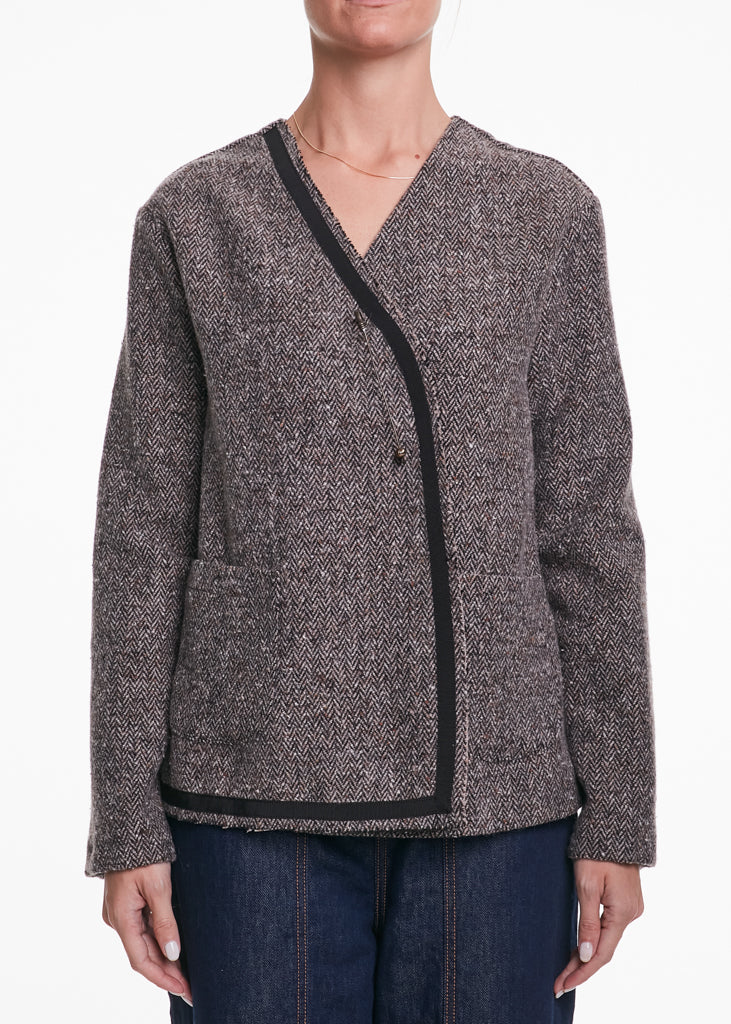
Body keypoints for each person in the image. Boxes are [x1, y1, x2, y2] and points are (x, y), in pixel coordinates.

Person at [85, 1, 657, 1021]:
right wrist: (126, 816)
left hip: (497, 791)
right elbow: (141, 531)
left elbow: (586, 530)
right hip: (249, 788)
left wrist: (617, 810)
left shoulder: (542, 210)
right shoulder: (196, 214)